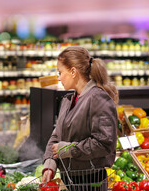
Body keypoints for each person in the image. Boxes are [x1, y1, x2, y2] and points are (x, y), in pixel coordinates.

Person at [41, 46, 118, 191]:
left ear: (73, 72)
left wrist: (69, 149)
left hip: (91, 182)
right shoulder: (68, 100)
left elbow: (104, 143)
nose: (58, 77)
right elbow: (57, 136)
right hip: (69, 179)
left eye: (60, 72)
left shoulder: (98, 99)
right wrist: (50, 165)